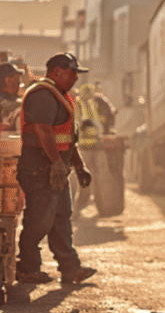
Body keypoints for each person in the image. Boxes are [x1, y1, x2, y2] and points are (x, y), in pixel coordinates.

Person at [15, 52, 97, 286]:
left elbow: (67, 139)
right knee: (39, 220)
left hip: (53, 170)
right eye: (73, 73)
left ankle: (70, 269)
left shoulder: (59, 96)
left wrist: (79, 167)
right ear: (56, 72)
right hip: (39, 171)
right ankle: (27, 268)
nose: (76, 79)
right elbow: (43, 131)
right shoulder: (43, 94)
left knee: (61, 218)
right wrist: (56, 163)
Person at [72, 82, 118, 216]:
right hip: (94, 147)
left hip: (87, 147)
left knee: (88, 179)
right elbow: (108, 118)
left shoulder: (82, 104)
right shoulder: (94, 104)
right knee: (97, 178)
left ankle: (79, 209)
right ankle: (100, 207)